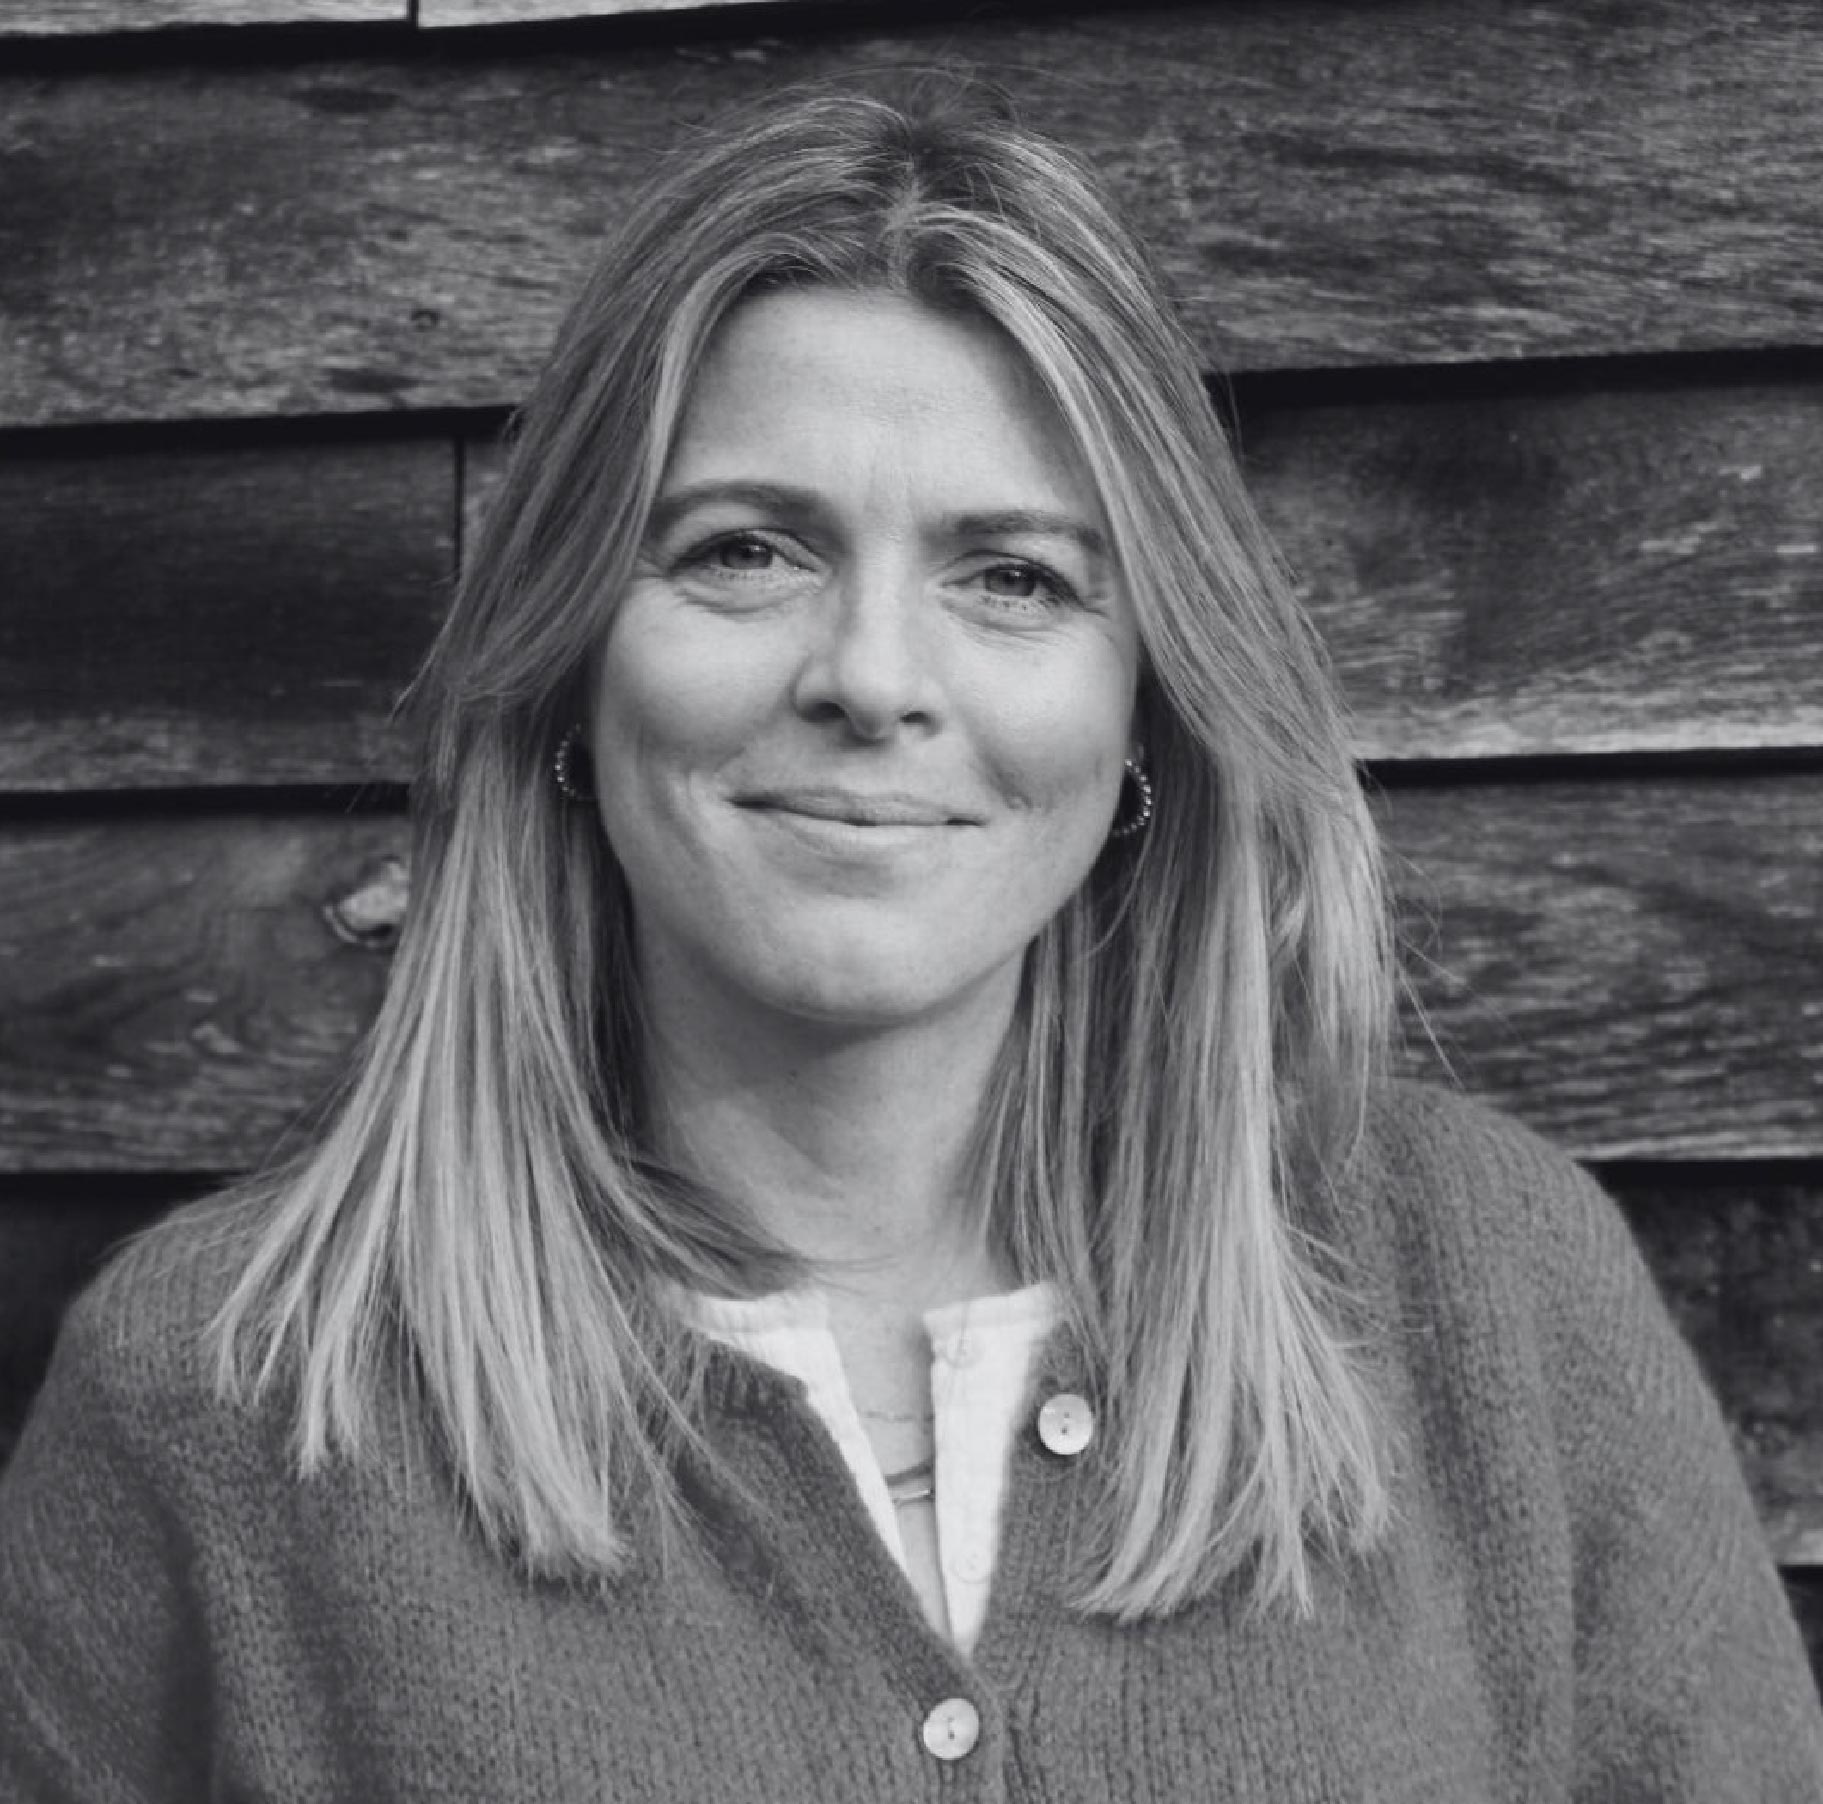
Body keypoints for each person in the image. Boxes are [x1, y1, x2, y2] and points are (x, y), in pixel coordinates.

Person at [2, 73, 1819, 1802]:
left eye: (1012, 576)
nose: (873, 677)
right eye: (744, 550)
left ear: (1145, 707)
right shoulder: (219, 1398)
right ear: (570, 658)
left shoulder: (1485, 1294)